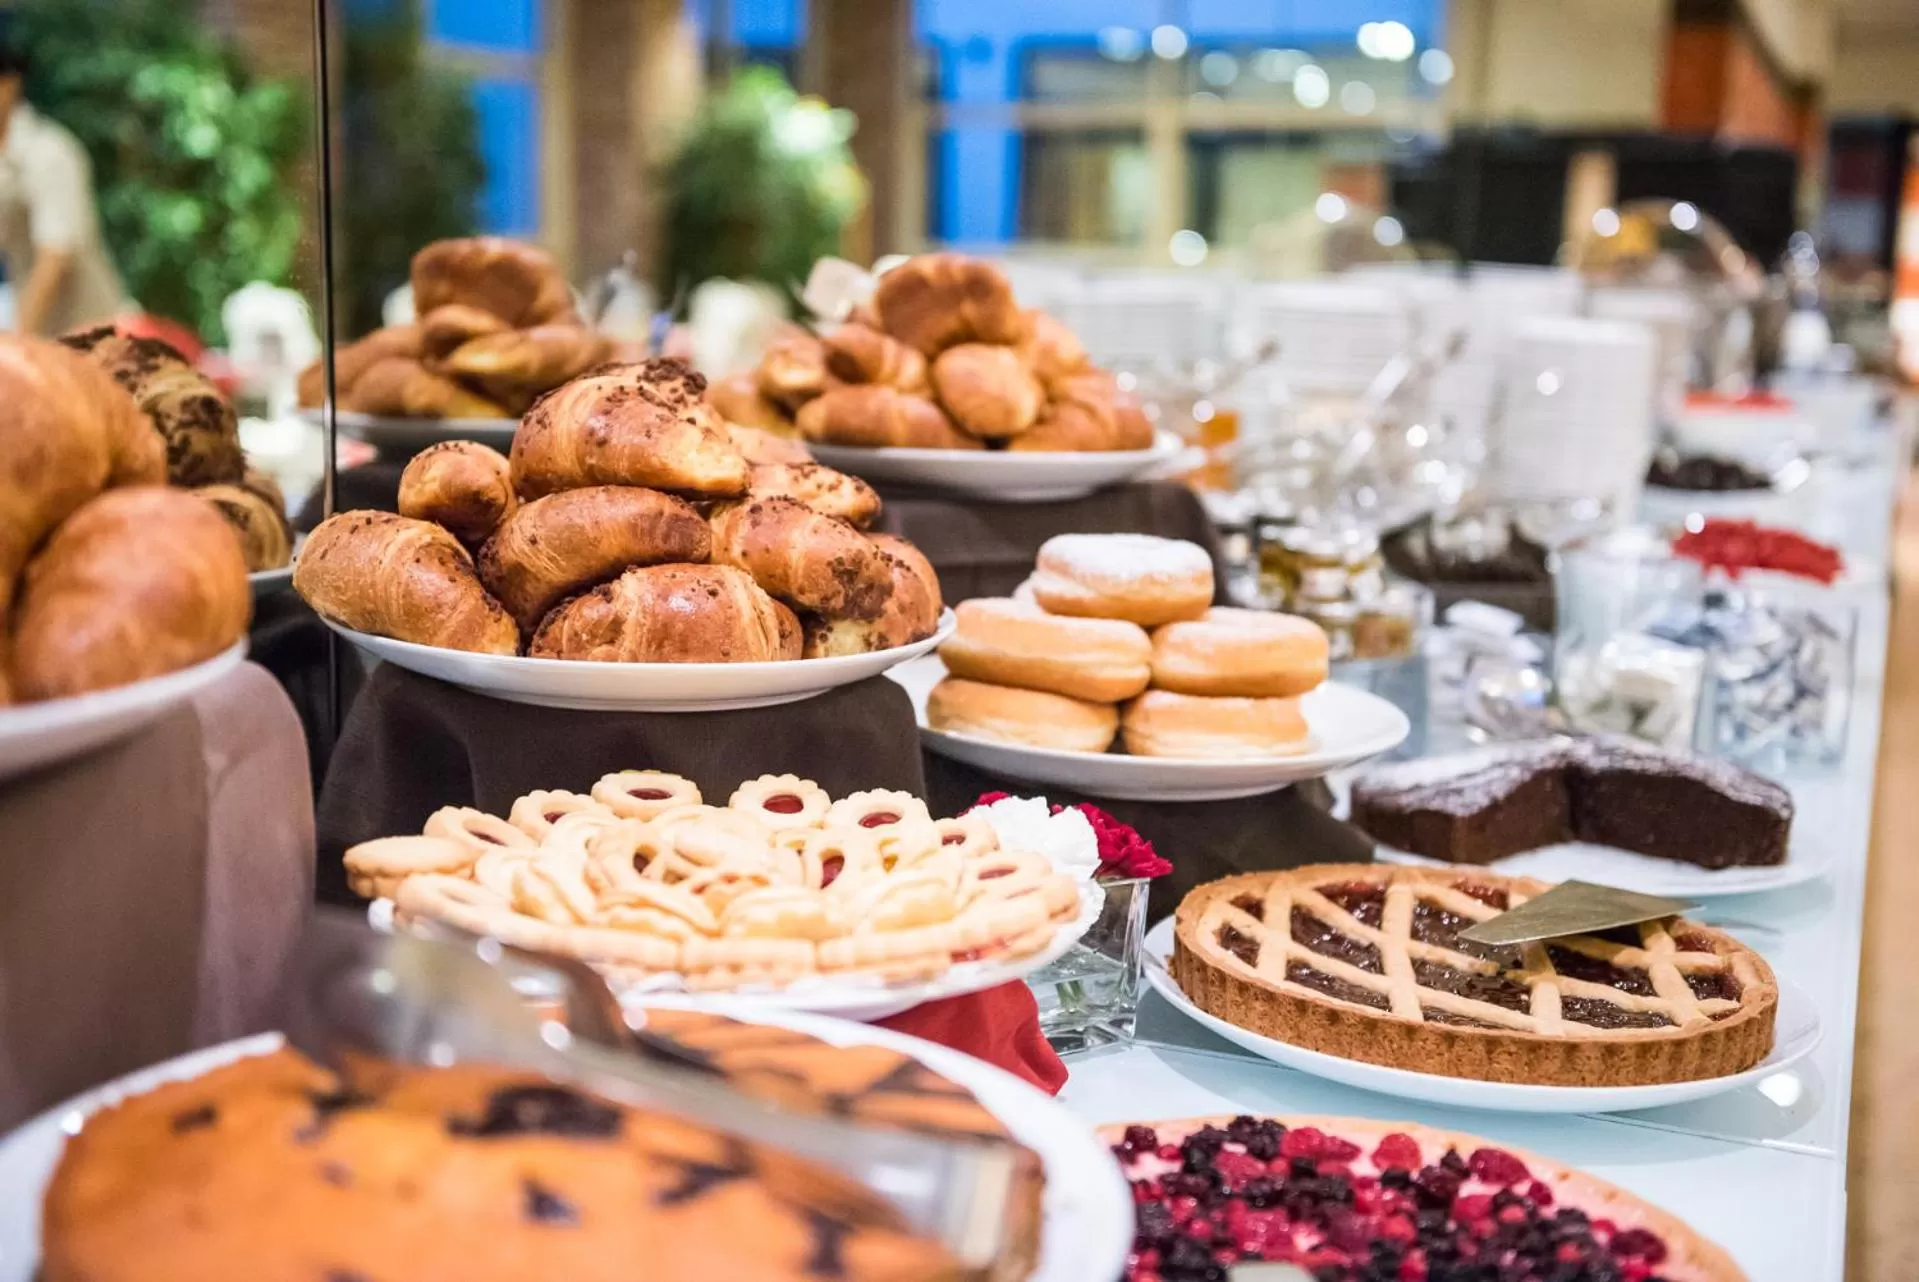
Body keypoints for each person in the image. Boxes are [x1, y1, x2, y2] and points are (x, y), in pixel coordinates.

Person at [0, 41, 126, 335]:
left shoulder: (49, 154)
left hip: (89, 337)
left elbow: (55, 259)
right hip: (40, 338)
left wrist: (18, 347)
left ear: (10, 84)